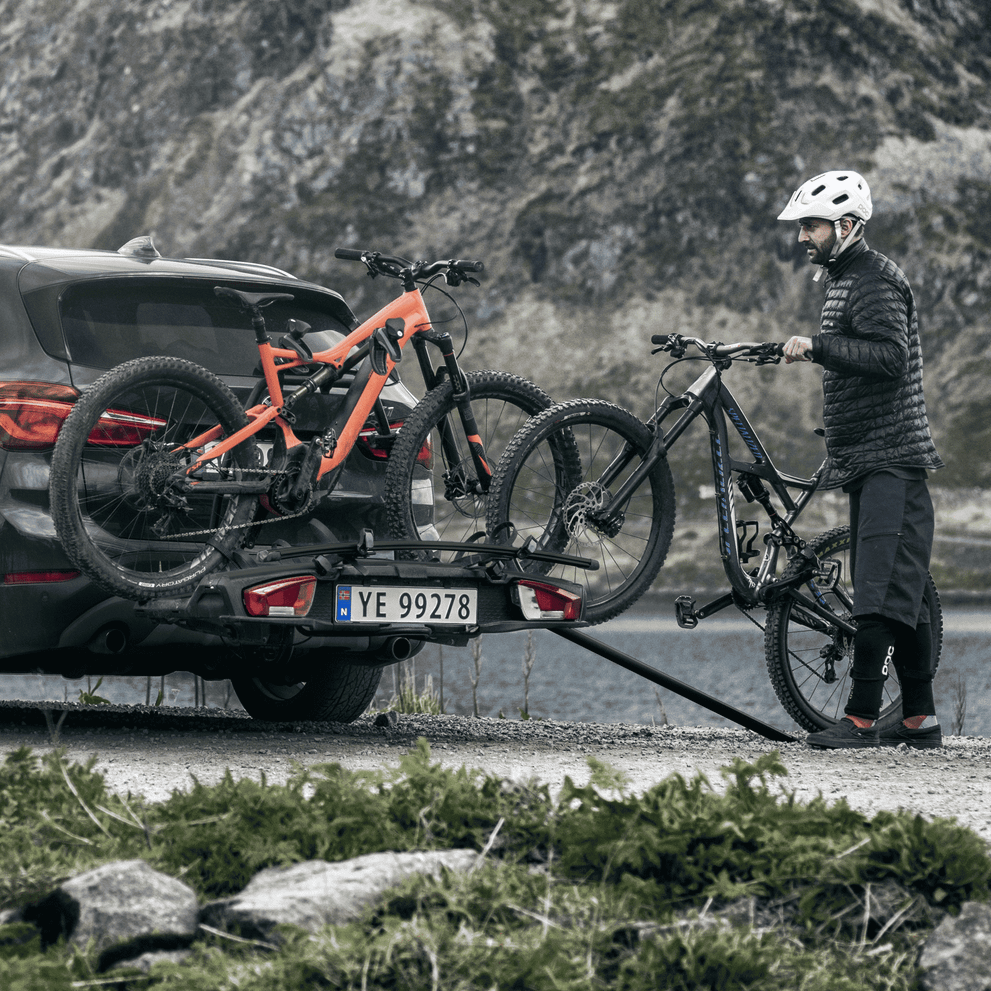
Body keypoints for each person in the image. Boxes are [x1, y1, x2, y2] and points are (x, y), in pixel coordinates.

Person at [776, 170, 944, 749]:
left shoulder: (874, 280)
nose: (803, 236)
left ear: (847, 226)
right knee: (905, 584)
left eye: (813, 225)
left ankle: (862, 719)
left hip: (892, 458)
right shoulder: (843, 279)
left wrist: (818, 347)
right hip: (868, 456)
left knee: (876, 589)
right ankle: (920, 720)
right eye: (802, 225)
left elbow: (891, 358)